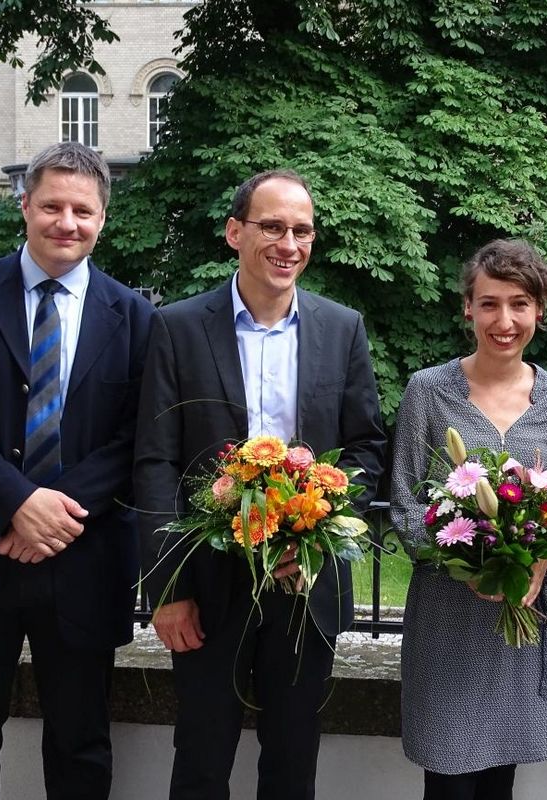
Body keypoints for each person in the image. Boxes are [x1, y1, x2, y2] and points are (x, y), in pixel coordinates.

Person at [0, 141, 156, 799]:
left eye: (82, 209)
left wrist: (50, 509)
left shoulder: (137, 319)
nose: (65, 222)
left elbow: (135, 438)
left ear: (103, 219)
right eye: (52, 205)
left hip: (82, 561)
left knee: (81, 753)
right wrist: (16, 503)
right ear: (25, 206)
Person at [133, 169, 386, 800]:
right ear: (234, 232)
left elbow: (367, 448)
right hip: (208, 587)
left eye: (302, 230)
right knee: (200, 758)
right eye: (272, 226)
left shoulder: (342, 327)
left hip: (306, 581)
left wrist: (321, 523)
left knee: (293, 762)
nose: (288, 244)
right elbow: (155, 464)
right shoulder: (178, 327)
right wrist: (167, 589)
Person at [390, 239, 547, 800]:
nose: (505, 320)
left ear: (538, 311)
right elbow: (404, 500)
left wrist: (540, 564)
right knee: (447, 783)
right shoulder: (428, 392)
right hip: (448, 622)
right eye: (490, 303)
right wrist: (464, 563)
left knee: (501, 781)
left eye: (519, 303)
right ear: (467, 308)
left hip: (522, 621)